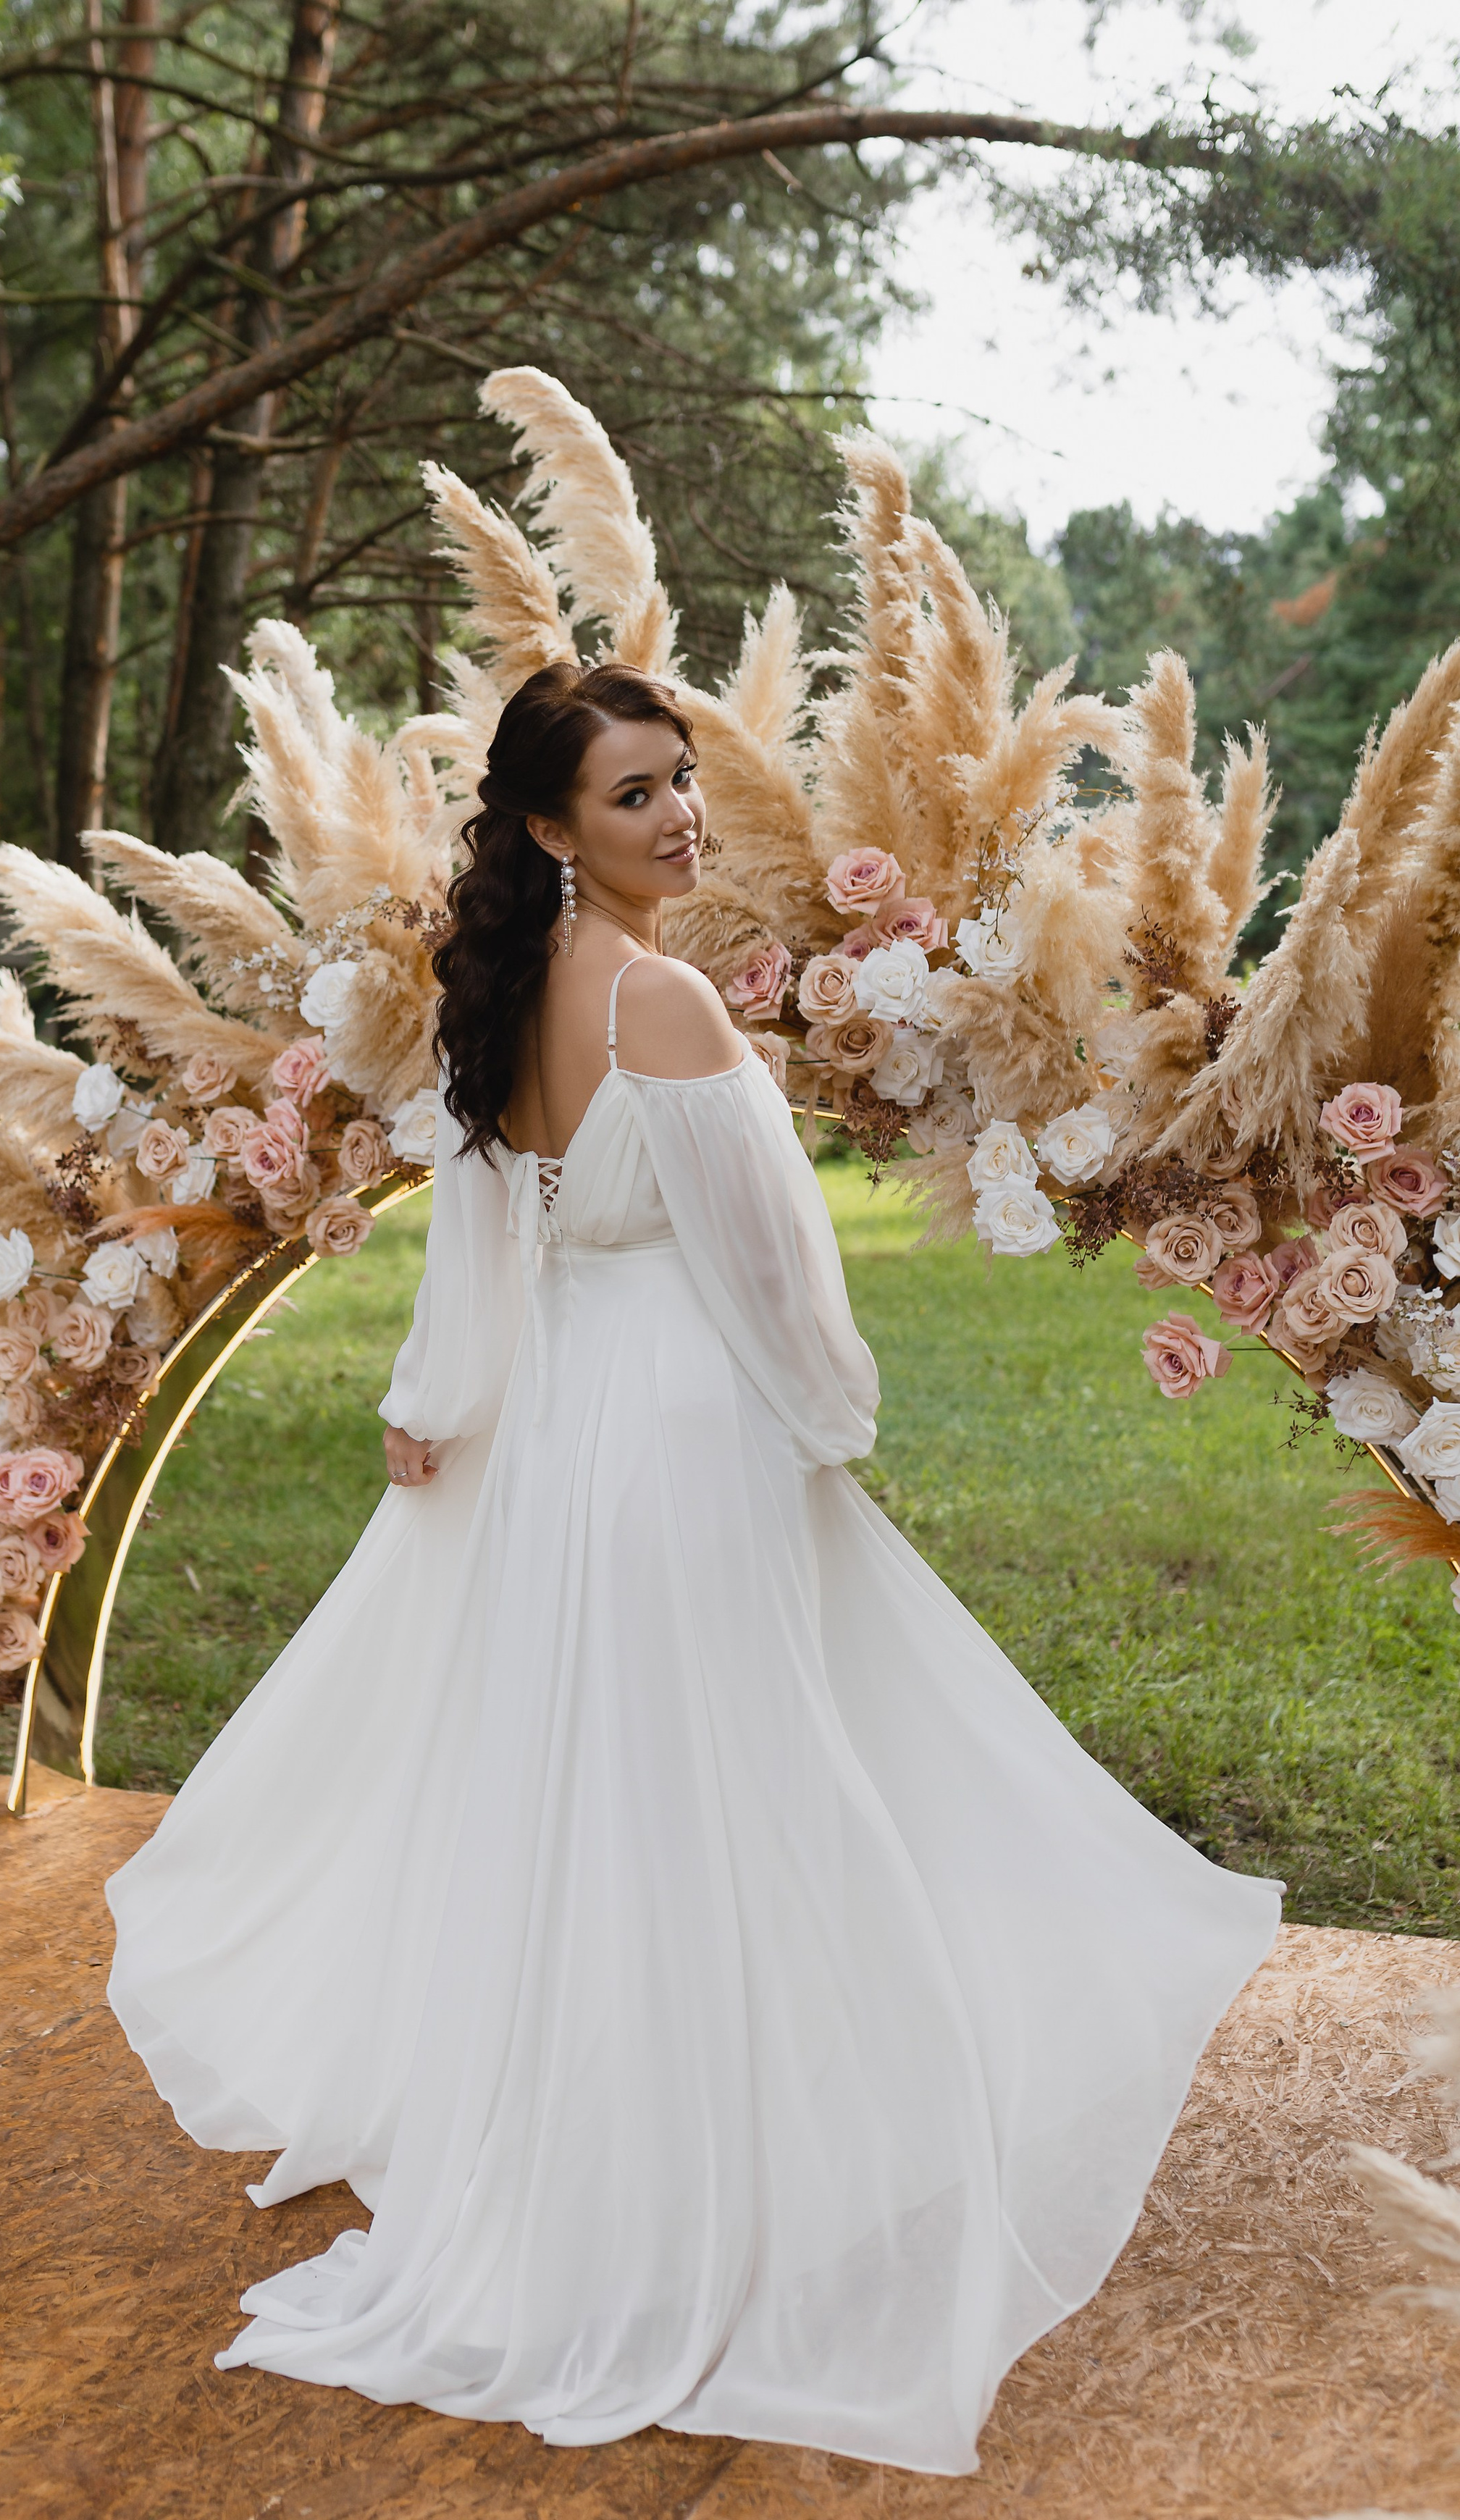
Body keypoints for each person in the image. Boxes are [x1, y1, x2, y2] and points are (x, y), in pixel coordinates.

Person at [105, 661, 1280, 2473]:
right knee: (746, 1765)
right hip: (685, 1424)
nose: (677, 817)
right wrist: (826, 1422)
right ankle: (738, 2162)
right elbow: (772, 1267)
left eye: (676, 784)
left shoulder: (499, 995)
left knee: (606, 1782)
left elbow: (483, 1232)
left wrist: (443, 1399)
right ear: (552, 827)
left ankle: (635, 2136)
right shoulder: (658, 1003)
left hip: (564, 1428)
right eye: (636, 795)